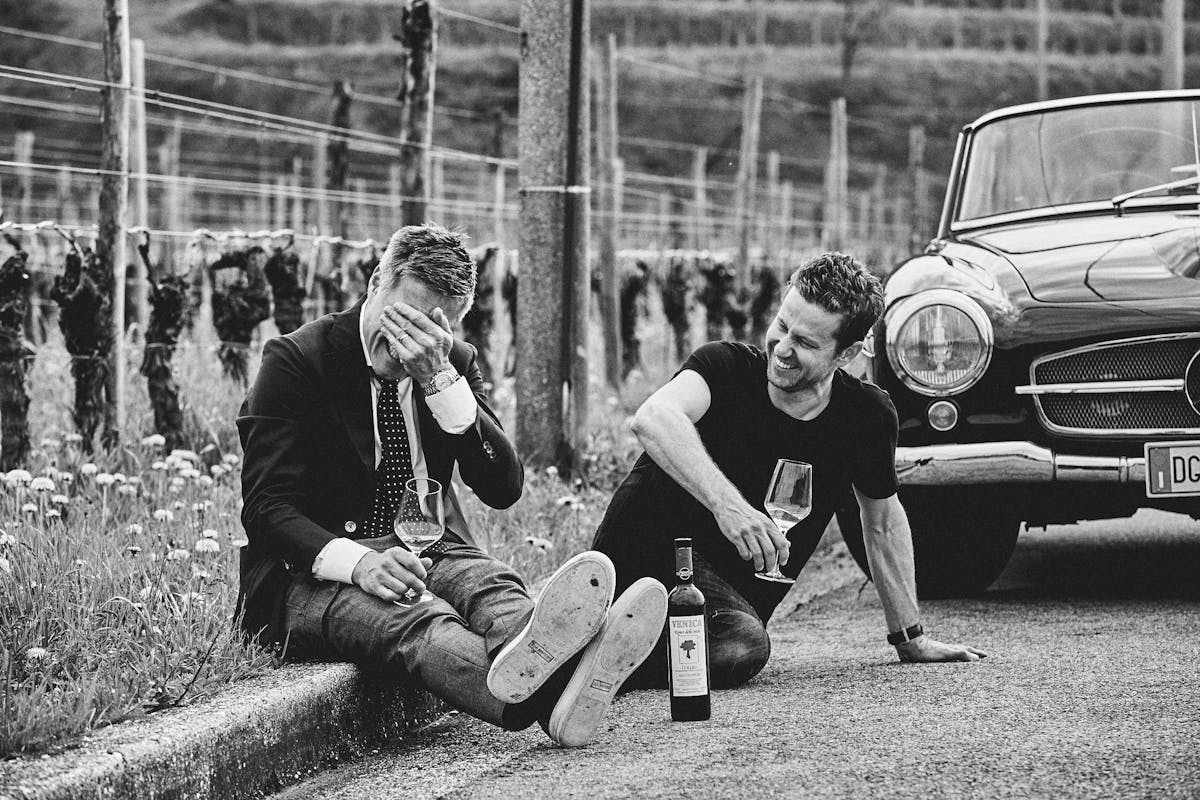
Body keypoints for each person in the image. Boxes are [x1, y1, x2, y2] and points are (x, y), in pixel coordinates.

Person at [236, 223, 667, 747]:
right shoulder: (296, 361)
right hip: (313, 576)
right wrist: (360, 563)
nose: (407, 343)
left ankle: (564, 682)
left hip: (428, 545)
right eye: (403, 317)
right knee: (420, 621)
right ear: (376, 282)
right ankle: (564, 686)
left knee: (495, 587)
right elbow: (265, 509)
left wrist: (440, 382)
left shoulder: (451, 365)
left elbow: (503, 487)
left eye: (431, 329)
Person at [591, 252, 987, 690]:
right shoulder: (723, 367)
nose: (782, 348)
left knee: (741, 647)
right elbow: (653, 416)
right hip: (648, 549)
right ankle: (594, 636)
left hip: (729, 603)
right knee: (737, 644)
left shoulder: (866, 417)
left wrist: (910, 636)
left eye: (806, 342)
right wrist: (730, 509)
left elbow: (882, 525)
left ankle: (597, 650)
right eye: (782, 325)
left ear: (848, 352)